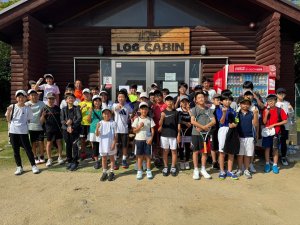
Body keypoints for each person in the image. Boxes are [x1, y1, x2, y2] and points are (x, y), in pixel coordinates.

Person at [5, 90, 40, 175]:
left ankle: (33, 166)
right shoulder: (12, 106)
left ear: (25, 98)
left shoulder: (28, 108)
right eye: (19, 97)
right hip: (13, 132)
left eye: (22, 97)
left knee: (28, 149)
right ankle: (19, 167)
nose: (20, 98)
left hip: (23, 132)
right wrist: (9, 112)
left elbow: (29, 119)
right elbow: (8, 120)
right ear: (16, 98)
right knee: (15, 150)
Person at [190, 91, 216, 180]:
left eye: (202, 97)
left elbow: (213, 121)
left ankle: (203, 169)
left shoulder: (208, 109)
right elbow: (192, 121)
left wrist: (205, 127)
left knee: (204, 152)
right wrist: (202, 127)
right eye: (199, 97)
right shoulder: (194, 109)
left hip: (206, 134)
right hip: (195, 134)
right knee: (196, 152)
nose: (201, 99)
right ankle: (196, 169)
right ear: (196, 100)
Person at [262, 94, 287, 174]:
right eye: (269, 101)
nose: (270, 102)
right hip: (267, 133)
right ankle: (267, 164)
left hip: (276, 133)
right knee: (267, 148)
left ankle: (275, 165)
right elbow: (264, 122)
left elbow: (285, 121)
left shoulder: (280, 110)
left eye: (272, 101)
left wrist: (274, 125)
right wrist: (266, 114)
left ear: (275, 101)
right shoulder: (265, 110)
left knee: (275, 149)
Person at [216, 94, 239, 180]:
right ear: (221, 101)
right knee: (222, 152)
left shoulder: (233, 110)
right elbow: (221, 121)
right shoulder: (219, 109)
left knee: (231, 151)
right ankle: (222, 170)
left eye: (229, 100)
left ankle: (229, 171)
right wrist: (224, 113)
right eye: (225, 100)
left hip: (232, 131)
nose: (228, 101)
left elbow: (237, 120)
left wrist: (234, 124)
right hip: (223, 130)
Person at [236, 98, 259, 179]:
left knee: (247, 155)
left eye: (247, 104)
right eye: (243, 103)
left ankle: (246, 170)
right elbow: (235, 125)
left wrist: (256, 114)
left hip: (249, 137)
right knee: (240, 155)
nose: (245, 105)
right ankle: (239, 169)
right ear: (240, 104)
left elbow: (255, 124)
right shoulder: (237, 114)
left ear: (249, 105)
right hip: (239, 137)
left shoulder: (251, 114)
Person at [132, 102, 155, 180]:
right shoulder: (137, 119)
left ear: (148, 110)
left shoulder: (150, 119)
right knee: (140, 156)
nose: (144, 111)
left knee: (148, 156)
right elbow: (134, 131)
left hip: (147, 141)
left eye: (145, 109)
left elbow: (152, 130)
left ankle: (148, 170)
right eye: (142, 109)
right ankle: (139, 170)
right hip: (138, 140)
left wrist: (151, 139)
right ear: (139, 110)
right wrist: (139, 127)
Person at [158, 95, 180, 176]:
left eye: (171, 100)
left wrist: (178, 135)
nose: (169, 102)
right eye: (167, 100)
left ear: (173, 102)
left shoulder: (176, 112)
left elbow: (178, 124)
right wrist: (162, 118)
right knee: (165, 151)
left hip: (173, 135)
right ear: (165, 102)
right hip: (164, 135)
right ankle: (166, 167)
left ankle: (173, 167)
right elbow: (160, 124)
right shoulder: (163, 112)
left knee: (174, 151)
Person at [40, 92, 64, 167]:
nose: (51, 100)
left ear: (54, 99)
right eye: (50, 98)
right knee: (49, 143)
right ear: (47, 99)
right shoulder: (44, 108)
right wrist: (43, 116)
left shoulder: (57, 108)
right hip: (48, 129)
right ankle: (49, 158)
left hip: (58, 128)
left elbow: (61, 118)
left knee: (59, 142)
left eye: (52, 98)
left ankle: (60, 157)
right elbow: (41, 121)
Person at [60, 93, 82, 171]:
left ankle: (75, 161)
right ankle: (69, 160)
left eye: (72, 98)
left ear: (74, 99)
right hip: (66, 130)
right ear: (66, 100)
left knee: (75, 145)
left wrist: (72, 125)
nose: (70, 99)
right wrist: (67, 127)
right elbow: (62, 120)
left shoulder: (77, 108)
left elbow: (79, 119)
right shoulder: (63, 109)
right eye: (69, 98)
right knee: (68, 145)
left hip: (75, 130)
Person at [112, 90, 133, 169]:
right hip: (116, 130)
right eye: (119, 97)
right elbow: (111, 111)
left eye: (122, 97)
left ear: (125, 98)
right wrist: (116, 108)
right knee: (116, 145)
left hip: (125, 129)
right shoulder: (114, 105)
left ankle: (124, 160)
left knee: (124, 146)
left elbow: (131, 114)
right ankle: (115, 160)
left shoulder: (128, 106)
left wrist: (132, 116)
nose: (120, 98)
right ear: (117, 98)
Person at [96, 107, 117, 182]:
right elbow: (97, 134)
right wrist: (97, 128)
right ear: (102, 115)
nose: (106, 115)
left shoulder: (113, 123)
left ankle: (111, 171)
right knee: (104, 158)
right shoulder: (100, 123)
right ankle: (104, 172)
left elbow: (115, 135)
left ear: (111, 114)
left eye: (108, 113)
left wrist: (114, 143)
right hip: (102, 144)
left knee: (111, 157)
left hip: (111, 143)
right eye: (104, 113)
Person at [25, 89, 45, 164]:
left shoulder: (42, 103)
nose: (34, 96)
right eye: (32, 95)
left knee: (41, 141)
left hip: (40, 125)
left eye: (35, 95)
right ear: (29, 97)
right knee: (33, 142)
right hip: (30, 126)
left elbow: (44, 112)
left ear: (37, 96)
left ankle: (42, 155)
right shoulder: (26, 104)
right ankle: (35, 156)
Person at [275, 88, 294, 166]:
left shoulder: (287, 103)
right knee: (275, 142)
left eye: (283, 94)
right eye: (280, 93)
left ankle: (283, 157)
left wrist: (290, 110)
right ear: (276, 94)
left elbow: (291, 115)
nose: (281, 95)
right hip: (275, 125)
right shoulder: (274, 103)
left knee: (283, 142)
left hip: (285, 125)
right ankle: (273, 157)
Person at [176, 95, 192, 170]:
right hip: (181, 131)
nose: (185, 103)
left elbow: (193, 118)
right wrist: (185, 123)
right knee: (181, 147)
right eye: (183, 102)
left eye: (186, 101)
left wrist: (189, 110)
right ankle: (181, 161)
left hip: (189, 131)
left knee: (187, 147)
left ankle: (187, 161)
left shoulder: (191, 110)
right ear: (180, 103)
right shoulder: (178, 110)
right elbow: (177, 120)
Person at [152, 90, 167, 167]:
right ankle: (156, 158)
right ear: (154, 98)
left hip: (163, 128)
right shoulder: (153, 106)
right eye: (156, 97)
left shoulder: (165, 105)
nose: (158, 98)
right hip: (154, 128)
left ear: (162, 97)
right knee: (155, 144)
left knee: (162, 144)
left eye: (159, 96)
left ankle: (161, 158)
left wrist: (162, 126)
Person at [87, 95, 102, 169]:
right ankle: (96, 161)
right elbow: (88, 120)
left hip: (101, 130)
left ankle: (101, 158)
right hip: (93, 130)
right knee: (95, 146)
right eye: (95, 101)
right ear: (93, 102)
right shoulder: (91, 110)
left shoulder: (103, 110)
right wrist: (89, 113)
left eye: (99, 101)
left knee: (102, 145)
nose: (97, 102)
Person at [78, 88, 92, 159]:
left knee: (92, 139)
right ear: (83, 95)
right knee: (82, 139)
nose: (86, 95)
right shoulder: (80, 103)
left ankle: (94, 154)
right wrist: (80, 108)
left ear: (90, 94)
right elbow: (76, 114)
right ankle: (83, 153)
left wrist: (91, 111)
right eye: (84, 94)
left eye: (87, 93)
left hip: (91, 124)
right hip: (82, 124)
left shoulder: (92, 103)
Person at [210, 93, 221, 170]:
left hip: (221, 129)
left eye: (220, 100)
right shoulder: (210, 109)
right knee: (213, 146)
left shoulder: (222, 108)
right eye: (217, 100)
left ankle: (220, 162)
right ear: (213, 100)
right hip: (212, 130)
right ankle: (214, 162)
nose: (219, 101)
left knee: (221, 146)